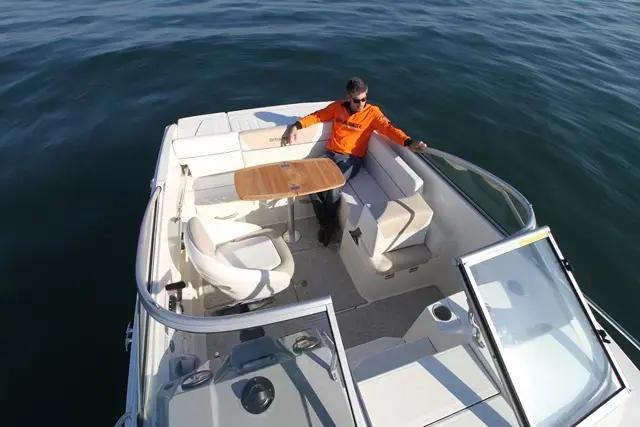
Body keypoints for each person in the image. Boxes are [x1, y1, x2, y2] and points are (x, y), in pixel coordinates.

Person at [284, 77, 428, 246]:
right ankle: (327, 224)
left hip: (352, 159)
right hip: (330, 155)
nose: (361, 104)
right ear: (348, 97)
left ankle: (328, 228)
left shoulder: (372, 113)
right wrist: (295, 126)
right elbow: (317, 116)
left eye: (364, 99)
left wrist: (409, 142)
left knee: (333, 188)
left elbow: (389, 129)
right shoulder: (337, 107)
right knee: (311, 185)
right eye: (357, 101)